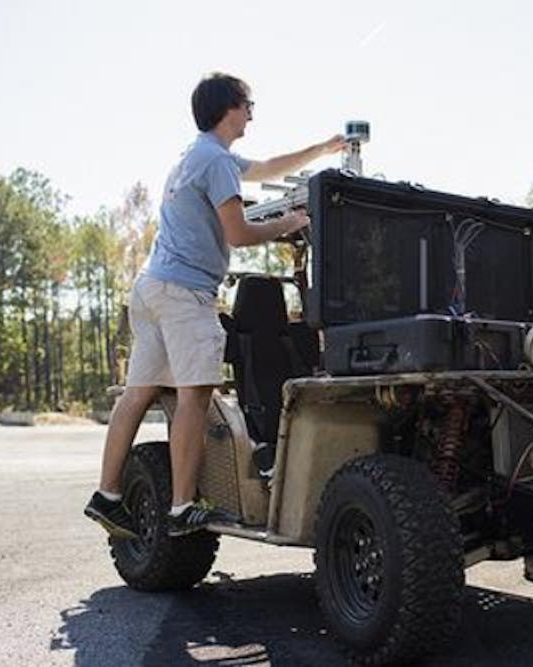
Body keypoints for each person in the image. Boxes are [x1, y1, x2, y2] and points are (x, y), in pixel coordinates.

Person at [85, 72, 345, 539]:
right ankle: (183, 506)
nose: (251, 114)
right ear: (230, 108)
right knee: (196, 396)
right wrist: (287, 223)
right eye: (249, 105)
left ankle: (106, 495)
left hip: (151, 288)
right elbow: (239, 234)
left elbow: (267, 167)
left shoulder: (198, 154)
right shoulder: (216, 162)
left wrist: (322, 149)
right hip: (185, 295)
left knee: (138, 393)